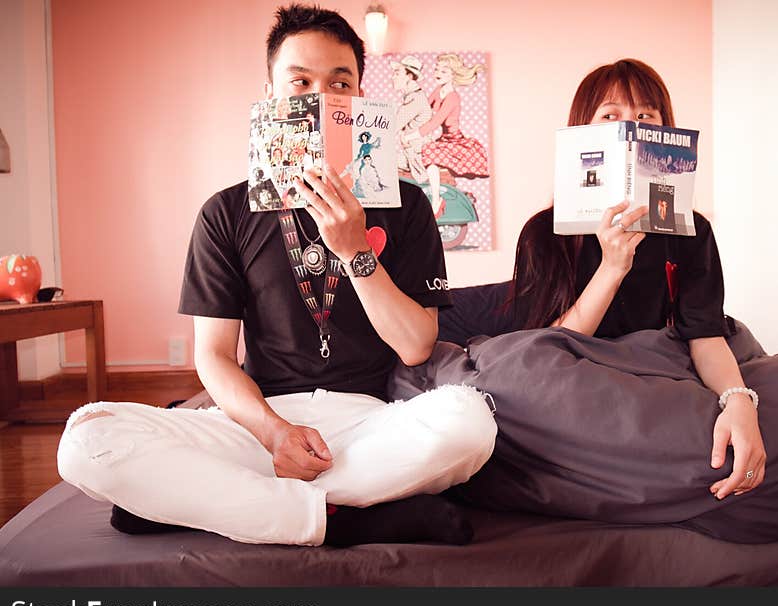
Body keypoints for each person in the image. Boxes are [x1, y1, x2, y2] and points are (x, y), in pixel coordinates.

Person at [56, 3, 496, 547]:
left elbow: (415, 347)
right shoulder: (226, 212)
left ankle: (220, 503)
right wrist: (274, 433)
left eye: (340, 82)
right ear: (270, 97)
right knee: (87, 440)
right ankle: (341, 517)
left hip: (370, 422)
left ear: (358, 98)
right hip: (258, 422)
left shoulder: (406, 205)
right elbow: (213, 356)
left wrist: (355, 251)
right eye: (300, 82)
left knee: (470, 423)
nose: (320, 97)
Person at [441, 58, 765, 503]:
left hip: (659, 369)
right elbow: (545, 352)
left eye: (645, 116)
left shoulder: (690, 230)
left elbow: (705, 335)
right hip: (580, 376)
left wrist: (739, 400)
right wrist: (612, 267)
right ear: (582, 132)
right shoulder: (545, 231)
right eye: (610, 115)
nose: (629, 127)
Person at [402, 53, 489, 218]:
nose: (438, 73)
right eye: (437, 69)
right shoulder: (438, 90)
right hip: (443, 139)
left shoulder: (452, 97)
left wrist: (410, 136)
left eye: (444, 71)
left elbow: (436, 121)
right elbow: (425, 110)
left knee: (431, 158)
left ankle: (436, 200)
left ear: (453, 75)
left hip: (455, 140)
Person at [390, 55, 432, 182]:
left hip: (415, 158)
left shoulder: (415, 99)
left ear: (409, 76)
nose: (393, 77)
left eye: (397, 73)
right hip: (411, 153)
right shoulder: (413, 96)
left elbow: (392, 127)